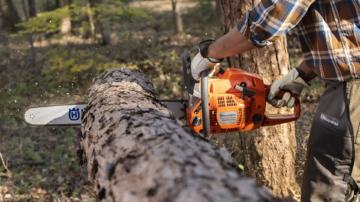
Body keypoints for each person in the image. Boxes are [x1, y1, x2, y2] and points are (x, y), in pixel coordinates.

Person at [190, 0, 360, 201]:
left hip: (351, 91)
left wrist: (211, 54)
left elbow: (274, 15)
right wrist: (303, 73)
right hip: (346, 85)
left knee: (328, 188)